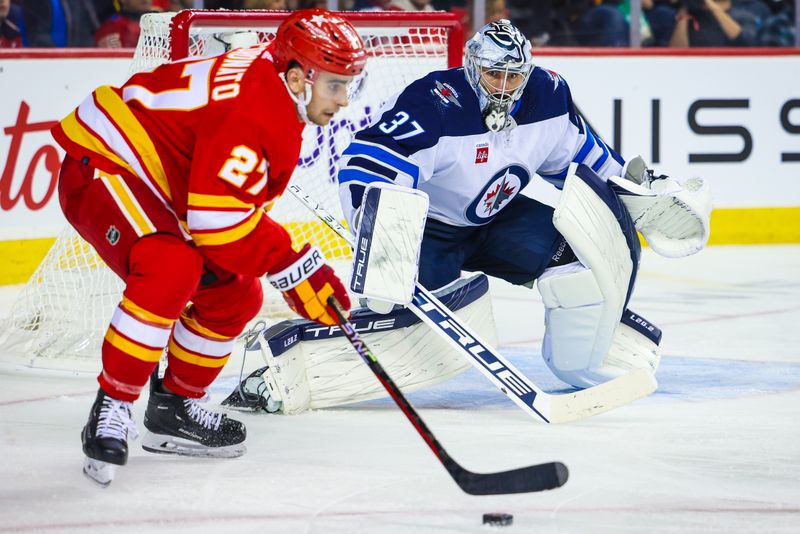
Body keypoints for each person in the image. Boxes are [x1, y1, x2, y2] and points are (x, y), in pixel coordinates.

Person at [50, 8, 363, 486]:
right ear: (299, 77)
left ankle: (174, 408)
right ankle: (113, 404)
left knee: (236, 295)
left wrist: (288, 267)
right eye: (336, 85)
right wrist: (295, 265)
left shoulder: (278, 87)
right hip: (106, 165)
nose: (345, 99)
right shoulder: (256, 109)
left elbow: (227, 214)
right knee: (170, 268)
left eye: (349, 85)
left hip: (164, 185)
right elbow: (218, 224)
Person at [337, 20, 710, 390]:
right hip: (428, 232)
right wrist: (380, 238)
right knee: (409, 330)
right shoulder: (434, 101)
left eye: (513, 76)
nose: (503, 86)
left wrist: (642, 192)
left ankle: (582, 363)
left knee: (583, 257)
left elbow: (588, 164)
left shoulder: (547, 97)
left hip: (499, 222)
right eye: (493, 73)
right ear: (472, 67)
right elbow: (371, 165)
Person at [669, 0, 759, 46]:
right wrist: (685, 7)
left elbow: (745, 42)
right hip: (696, 70)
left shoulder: (745, 16)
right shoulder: (692, 16)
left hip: (733, 69)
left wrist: (711, 5)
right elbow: (676, 53)